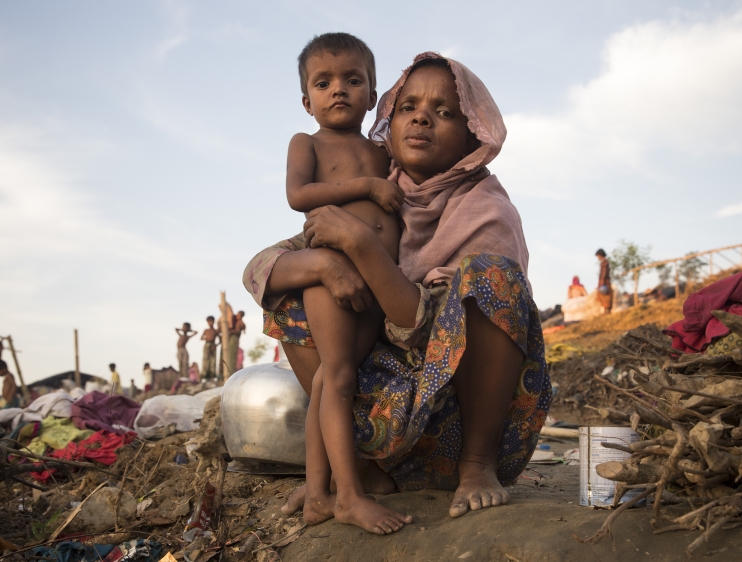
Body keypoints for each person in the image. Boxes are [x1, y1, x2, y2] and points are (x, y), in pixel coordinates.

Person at [243, 52, 549, 534]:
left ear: (474, 134)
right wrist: (325, 261)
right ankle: (351, 474)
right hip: (385, 440)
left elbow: (421, 333)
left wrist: (363, 248)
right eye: (408, 107)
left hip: (453, 427)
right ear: (389, 118)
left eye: (445, 112)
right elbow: (260, 269)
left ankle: (477, 466)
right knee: (295, 294)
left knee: (493, 278)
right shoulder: (376, 192)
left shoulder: (484, 210)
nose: (422, 117)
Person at [257, 31, 407, 536]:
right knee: (338, 375)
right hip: (333, 269)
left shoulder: (384, 149)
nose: (338, 90)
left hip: (376, 282)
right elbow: (299, 195)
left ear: (373, 93)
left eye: (352, 80)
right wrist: (366, 186)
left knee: (329, 379)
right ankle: (349, 497)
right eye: (324, 83)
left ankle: (319, 494)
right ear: (306, 101)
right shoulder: (309, 142)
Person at [224, 311, 246, 376]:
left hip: (235, 339)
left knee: (232, 356)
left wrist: (230, 331)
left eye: (238, 315)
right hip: (234, 339)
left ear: (241, 316)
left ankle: (232, 373)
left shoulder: (240, 322)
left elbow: (237, 331)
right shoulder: (239, 322)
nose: (237, 316)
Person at [201, 315, 221, 381]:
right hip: (207, 345)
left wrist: (215, 346)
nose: (210, 323)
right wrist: (207, 338)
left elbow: (220, 340)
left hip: (213, 345)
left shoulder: (215, 331)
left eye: (211, 321)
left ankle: (212, 376)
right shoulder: (206, 330)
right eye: (209, 322)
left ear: (213, 322)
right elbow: (201, 338)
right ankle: (204, 377)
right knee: (206, 360)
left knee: (213, 361)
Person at [596, 249, 613, 313]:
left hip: (604, 282)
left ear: (600, 255)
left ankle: (607, 310)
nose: (597, 257)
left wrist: (602, 281)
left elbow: (604, 273)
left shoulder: (605, 262)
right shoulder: (603, 262)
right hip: (603, 281)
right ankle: (606, 310)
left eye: (598, 256)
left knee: (606, 296)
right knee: (603, 296)